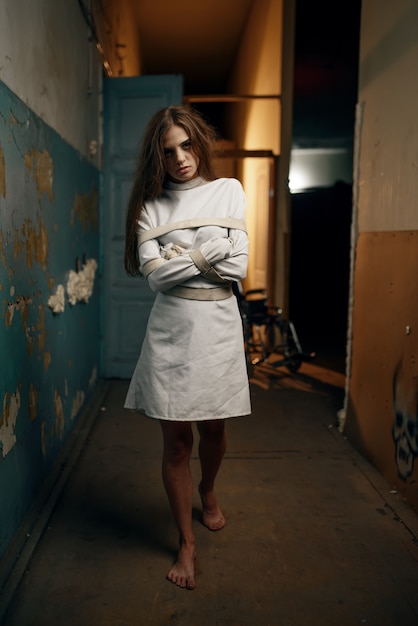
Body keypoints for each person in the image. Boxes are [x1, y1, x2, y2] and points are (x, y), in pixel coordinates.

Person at [124, 105, 251, 590]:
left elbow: (237, 269)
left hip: (217, 323)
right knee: (177, 442)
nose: (180, 157)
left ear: (199, 141)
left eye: (186, 144)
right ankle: (186, 541)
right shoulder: (150, 208)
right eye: (168, 150)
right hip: (172, 330)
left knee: (214, 429)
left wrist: (181, 255)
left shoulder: (228, 191)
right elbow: (156, 278)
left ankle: (210, 489)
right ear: (158, 157)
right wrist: (208, 251)